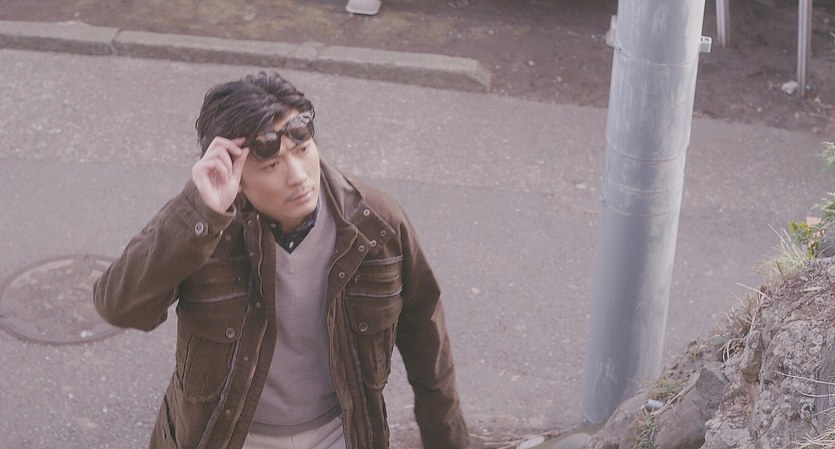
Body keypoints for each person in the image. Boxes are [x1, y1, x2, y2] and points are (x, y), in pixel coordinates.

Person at [93, 71, 469, 449]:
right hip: (229, 437)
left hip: (341, 433)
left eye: (302, 151)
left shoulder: (375, 224)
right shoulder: (202, 228)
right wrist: (199, 213)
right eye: (271, 166)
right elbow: (120, 307)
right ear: (236, 175)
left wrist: (447, 440)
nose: (298, 177)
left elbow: (428, 343)